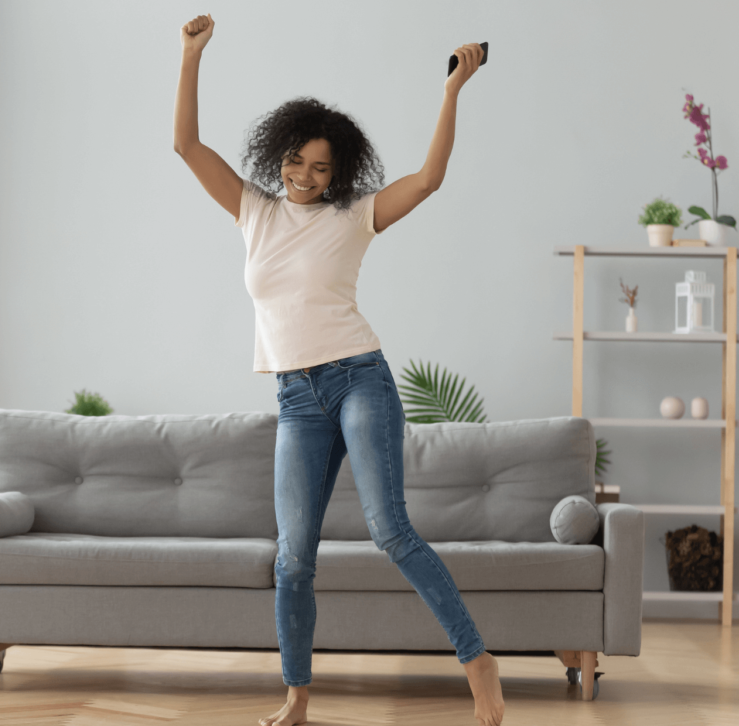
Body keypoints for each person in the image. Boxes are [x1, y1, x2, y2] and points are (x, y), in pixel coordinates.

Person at [173, 14, 504, 726]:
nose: (303, 176)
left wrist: (452, 92)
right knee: (292, 560)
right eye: (295, 162)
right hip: (297, 398)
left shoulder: (354, 216)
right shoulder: (253, 213)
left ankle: (477, 660)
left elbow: (430, 179)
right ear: (278, 157)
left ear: (339, 172)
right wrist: (191, 57)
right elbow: (186, 145)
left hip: (358, 378)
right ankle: (296, 697)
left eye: (320, 168)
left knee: (390, 529)